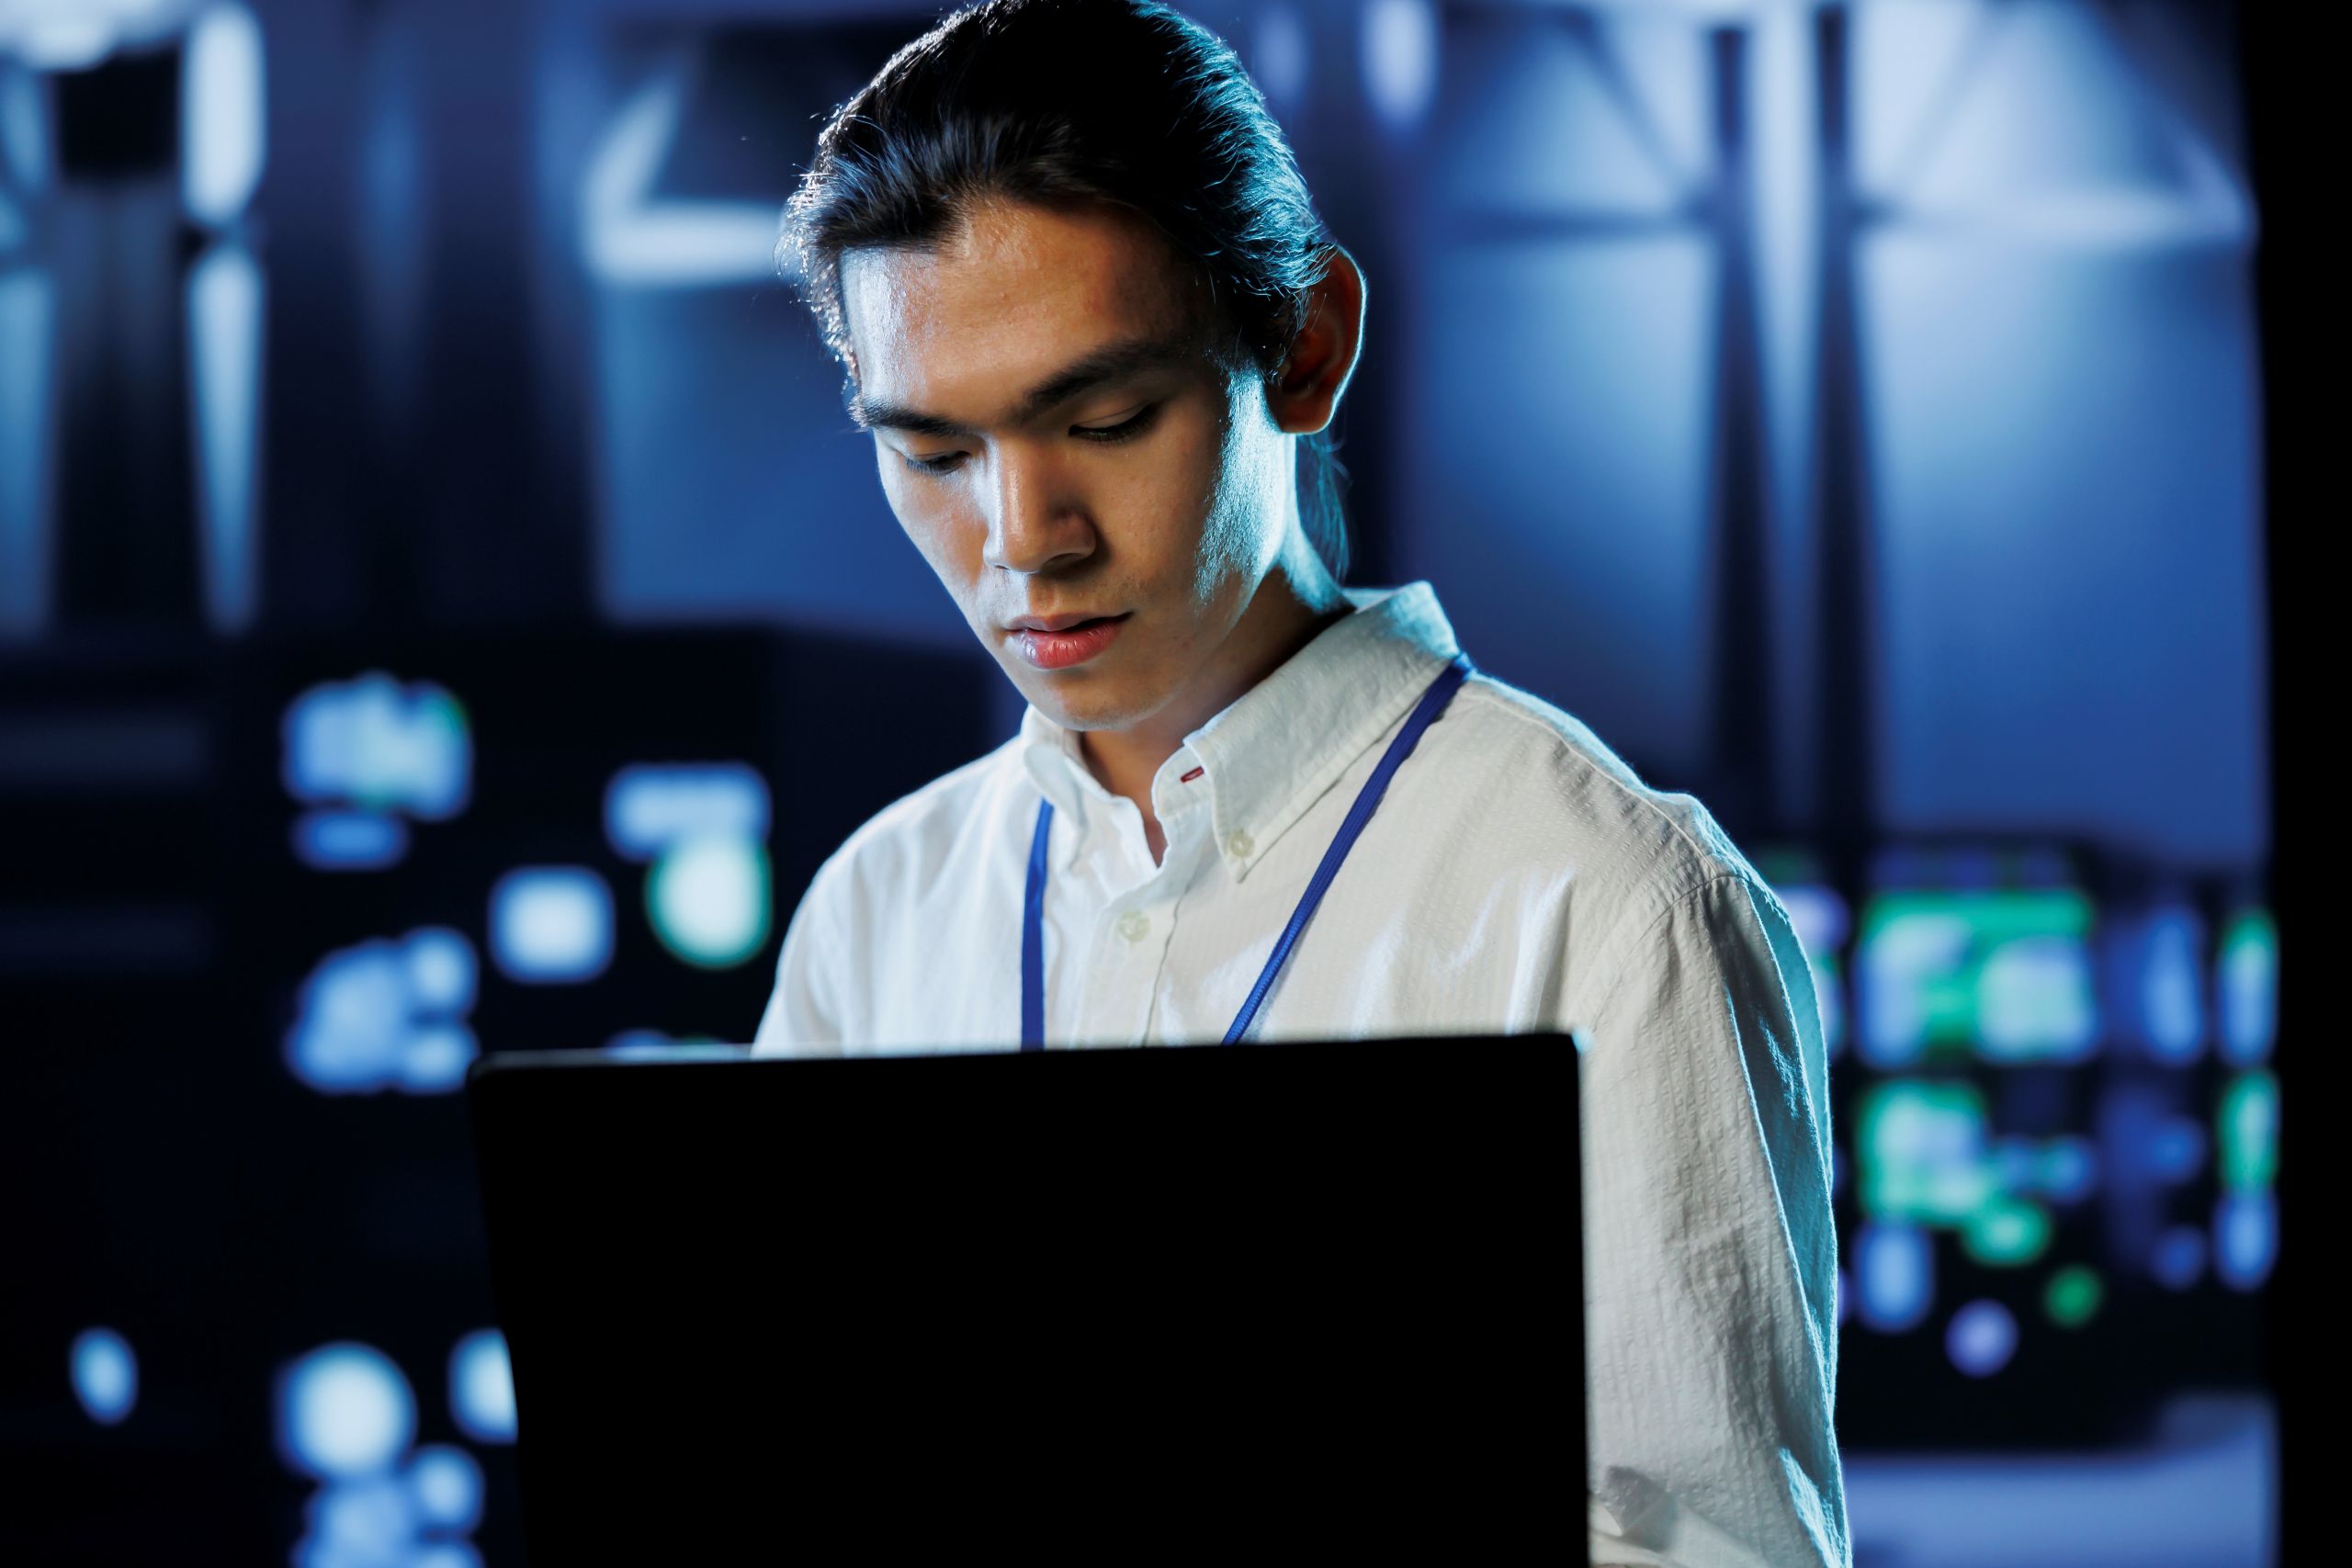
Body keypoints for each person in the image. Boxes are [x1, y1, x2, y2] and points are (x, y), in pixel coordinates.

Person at [750, 2, 1844, 1562]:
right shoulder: (879, 912)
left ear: (1306, 348)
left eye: (1106, 417)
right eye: (931, 452)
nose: (1022, 537)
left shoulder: (1609, 903)